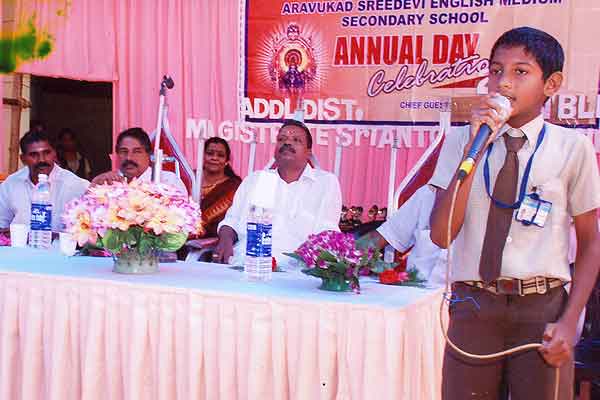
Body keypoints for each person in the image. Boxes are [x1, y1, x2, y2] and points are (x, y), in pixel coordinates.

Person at [429, 27, 600, 400]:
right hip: (475, 305)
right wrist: (473, 149)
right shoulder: (462, 140)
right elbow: (441, 235)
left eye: (520, 72)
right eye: (495, 70)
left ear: (551, 84)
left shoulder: (572, 148)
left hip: (542, 307)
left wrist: (570, 321)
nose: (503, 82)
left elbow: (591, 244)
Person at [213, 119, 342, 265]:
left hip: (297, 270)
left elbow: (328, 232)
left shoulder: (325, 183)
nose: (287, 143)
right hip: (246, 262)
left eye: (296, 140)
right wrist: (225, 241)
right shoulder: (255, 179)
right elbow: (232, 220)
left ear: (308, 152)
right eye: (282, 139)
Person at [0, 130, 90, 232]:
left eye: (47, 153)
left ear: (54, 154)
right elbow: (2, 224)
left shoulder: (75, 185)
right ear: (23, 159)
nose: (41, 160)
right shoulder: (11, 184)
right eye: (34, 155)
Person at [367, 185, 446, 286]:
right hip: (413, 289)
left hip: (454, 292)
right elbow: (387, 234)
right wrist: (350, 253)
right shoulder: (428, 193)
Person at [91, 127, 187, 195]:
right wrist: (95, 184)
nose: (129, 158)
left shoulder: (167, 181)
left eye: (137, 152)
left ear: (148, 154)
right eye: (124, 151)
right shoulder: (107, 182)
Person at [199, 137, 242, 237]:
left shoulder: (234, 186)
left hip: (218, 239)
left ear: (227, 161)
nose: (215, 158)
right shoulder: (190, 178)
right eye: (210, 153)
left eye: (220, 155)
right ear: (202, 156)